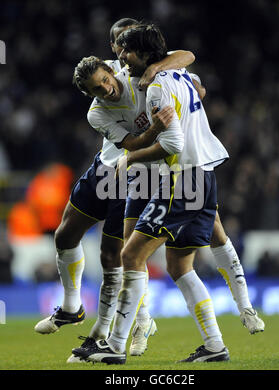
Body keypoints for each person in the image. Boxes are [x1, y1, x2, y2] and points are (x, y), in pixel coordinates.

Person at [34, 18, 196, 360]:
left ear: (113, 67)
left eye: (106, 80)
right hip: (107, 168)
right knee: (64, 235)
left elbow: (187, 57)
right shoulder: (97, 113)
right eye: (98, 87)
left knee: (114, 258)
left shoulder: (134, 72)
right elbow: (134, 142)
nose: (107, 87)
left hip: (132, 175)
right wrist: (156, 127)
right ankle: (72, 306)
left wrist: (160, 70)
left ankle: (109, 331)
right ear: (90, 94)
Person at [71, 23, 231, 365]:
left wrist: (130, 159)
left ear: (145, 55)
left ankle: (114, 347)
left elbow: (171, 143)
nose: (122, 58)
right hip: (201, 175)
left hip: (178, 179)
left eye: (128, 51)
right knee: (179, 266)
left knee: (130, 257)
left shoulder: (156, 85)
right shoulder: (181, 76)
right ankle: (215, 345)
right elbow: (191, 70)